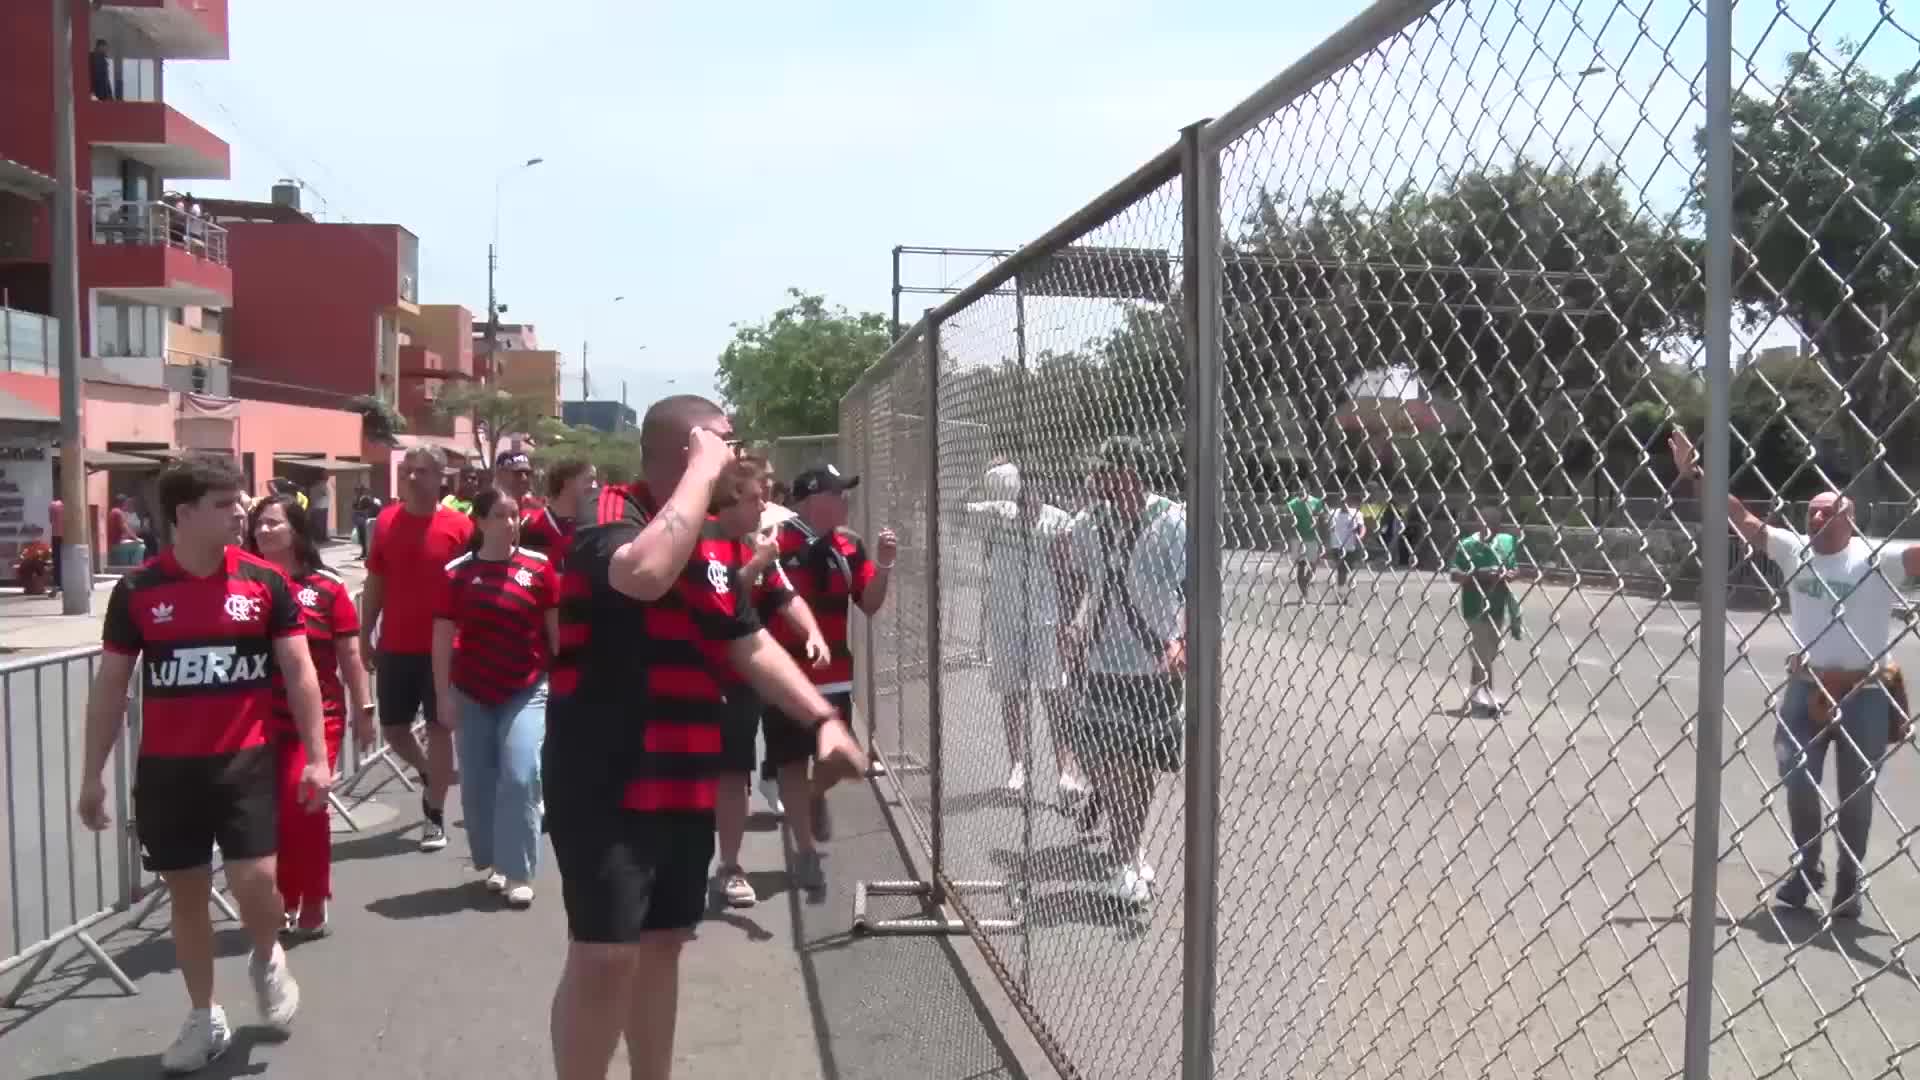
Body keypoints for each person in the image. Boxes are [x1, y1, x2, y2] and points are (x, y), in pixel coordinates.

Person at [544, 394, 865, 1080]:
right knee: (604, 955)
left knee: (661, 945)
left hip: (682, 770)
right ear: (687, 446)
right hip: (604, 773)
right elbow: (641, 573)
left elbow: (748, 644)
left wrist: (824, 720)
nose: (736, 447)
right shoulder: (613, 513)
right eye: (723, 438)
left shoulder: (719, 542)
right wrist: (701, 471)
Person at [74, 455, 326, 1072]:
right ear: (183, 514)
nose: (240, 512)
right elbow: (111, 687)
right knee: (186, 896)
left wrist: (318, 757)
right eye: (223, 503)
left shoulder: (265, 583)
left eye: (239, 501)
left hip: (244, 764)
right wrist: (90, 777)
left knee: (256, 882)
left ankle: (267, 956)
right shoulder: (138, 592)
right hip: (167, 773)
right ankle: (203, 1015)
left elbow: (298, 672)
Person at [1672, 430, 1917, 919]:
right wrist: (1694, 473)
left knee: (1856, 795)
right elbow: (1738, 515)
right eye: (1812, 510)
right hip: (1806, 688)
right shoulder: (1792, 549)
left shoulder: (1877, 557)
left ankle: (1849, 880)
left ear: (1851, 520)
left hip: (1865, 692)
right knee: (1797, 774)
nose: (1817, 516)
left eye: (1829, 511)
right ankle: (1808, 867)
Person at [1058, 437, 1188, 907]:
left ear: (1127, 474)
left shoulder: (1172, 521)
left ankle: (1128, 853)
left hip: (1152, 664)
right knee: (1110, 761)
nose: (1094, 478)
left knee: (1141, 764)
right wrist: (1067, 625)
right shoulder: (1088, 523)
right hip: (1100, 660)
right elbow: (1071, 574)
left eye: (1104, 471)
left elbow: (1194, 587)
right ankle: (1126, 852)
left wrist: (1185, 641)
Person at [246, 493, 374, 939]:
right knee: (269, 815)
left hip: (319, 718)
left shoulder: (328, 588)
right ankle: (283, 898)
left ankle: (313, 897)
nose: (263, 531)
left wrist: (365, 708)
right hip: (258, 719)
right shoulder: (246, 587)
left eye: (273, 523)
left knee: (304, 805)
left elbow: (350, 655)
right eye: (258, 524)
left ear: (297, 531)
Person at [765, 464, 896, 886]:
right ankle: (805, 851)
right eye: (837, 493)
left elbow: (870, 603)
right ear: (810, 500)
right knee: (788, 761)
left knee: (838, 761)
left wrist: (886, 565)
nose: (845, 501)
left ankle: (814, 794)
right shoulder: (774, 542)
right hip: (782, 674)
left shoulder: (847, 546)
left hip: (834, 676)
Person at [711, 456, 829, 908]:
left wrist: (812, 632)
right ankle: (730, 866)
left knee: (794, 760)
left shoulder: (758, 543)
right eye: (757, 497)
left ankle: (805, 852)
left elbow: (785, 596)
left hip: (773, 668)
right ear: (731, 499)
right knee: (734, 770)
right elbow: (725, 599)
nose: (766, 506)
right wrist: (757, 560)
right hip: (731, 675)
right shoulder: (709, 544)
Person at [433, 489, 558, 909]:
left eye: (515, 515)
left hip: (525, 687)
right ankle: (495, 863)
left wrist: (562, 682)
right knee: (478, 784)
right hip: (472, 690)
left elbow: (554, 632)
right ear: (480, 522)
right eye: (500, 516)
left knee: (521, 774)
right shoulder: (457, 574)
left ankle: (520, 869)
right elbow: (442, 638)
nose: (510, 523)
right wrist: (443, 696)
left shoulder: (539, 569)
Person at [361, 445, 475, 852]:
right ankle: (432, 775)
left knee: (439, 729)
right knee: (393, 731)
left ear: (440, 477)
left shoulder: (460, 527)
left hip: (444, 650)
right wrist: (364, 633)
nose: (411, 478)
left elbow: (473, 588)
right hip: (396, 645)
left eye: (421, 471)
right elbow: (375, 581)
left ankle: (435, 815)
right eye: (407, 471)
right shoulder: (387, 522)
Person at [963, 461, 1087, 796]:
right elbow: (956, 507)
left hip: (1044, 621)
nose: (1026, 504)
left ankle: (1065, 773)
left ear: (1042, 493)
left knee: (1054, 696)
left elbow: (1074, 573)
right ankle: (1017, 765)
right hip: (1005, 621)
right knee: (1012, 693)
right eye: (1021, 496)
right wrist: (984, 478)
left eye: (1032, 495)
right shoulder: (999, 513)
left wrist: (1069, 619)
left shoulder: (1058, 521)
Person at [1449, 507, 1522, 718]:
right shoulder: (1468, 545)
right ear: (1479, 524)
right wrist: (1478, 574)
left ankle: (1474, 696)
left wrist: (1510, 574)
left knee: (1488, 654)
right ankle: (1489, 700)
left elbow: (1515, 568)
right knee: (1482, 656)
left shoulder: (1506, 542)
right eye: (1485, 522)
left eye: (1494, 524)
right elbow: (1455, 575)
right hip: (1475, 606)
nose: (1489, 527)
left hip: (1498, 605)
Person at [521, 457, 595, 564]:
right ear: (568, 482)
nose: (594, 486)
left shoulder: (591, 527)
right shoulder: (530, 524)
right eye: (589, 480)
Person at [1284, 489, 1326, 598]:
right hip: (1298, 537)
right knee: (1301, 565)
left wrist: (1319, 520)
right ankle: (1303, 592)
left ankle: (1307, 580)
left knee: (1313, 563)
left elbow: (1322, 517)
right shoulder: (1293, 503)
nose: (1301, 493)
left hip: (1312, 537)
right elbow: (1288, 519)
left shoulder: (1316, 502)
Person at [1327, 496, 1366, 597]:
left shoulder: (1356, 514)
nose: (1343, 503)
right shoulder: (1333, 513)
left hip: (1350, 546)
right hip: (1337, 546)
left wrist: (1360, 536)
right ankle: (1340, 592)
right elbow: (1326, 526)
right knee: (1342, 569)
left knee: (1349, 568)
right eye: (1341, 501)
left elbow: (1362, 527)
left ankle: (1342, 586)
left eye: (1345, 501)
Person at [352, 488, 381, 560]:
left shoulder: (374, 504)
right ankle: (364, 553)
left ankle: (369, 554)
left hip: (373, 523)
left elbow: (374, 515)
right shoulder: (363, 500)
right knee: (363, 538)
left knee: (369, 539)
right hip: (366, 522)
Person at [49, 495, 63, 595]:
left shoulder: (52, 505)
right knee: (65, 560)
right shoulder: (67, 506)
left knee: (57, 561)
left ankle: (57, 583)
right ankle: (63, 583)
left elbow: (50, 520)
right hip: (67, 536)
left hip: (55, 535)